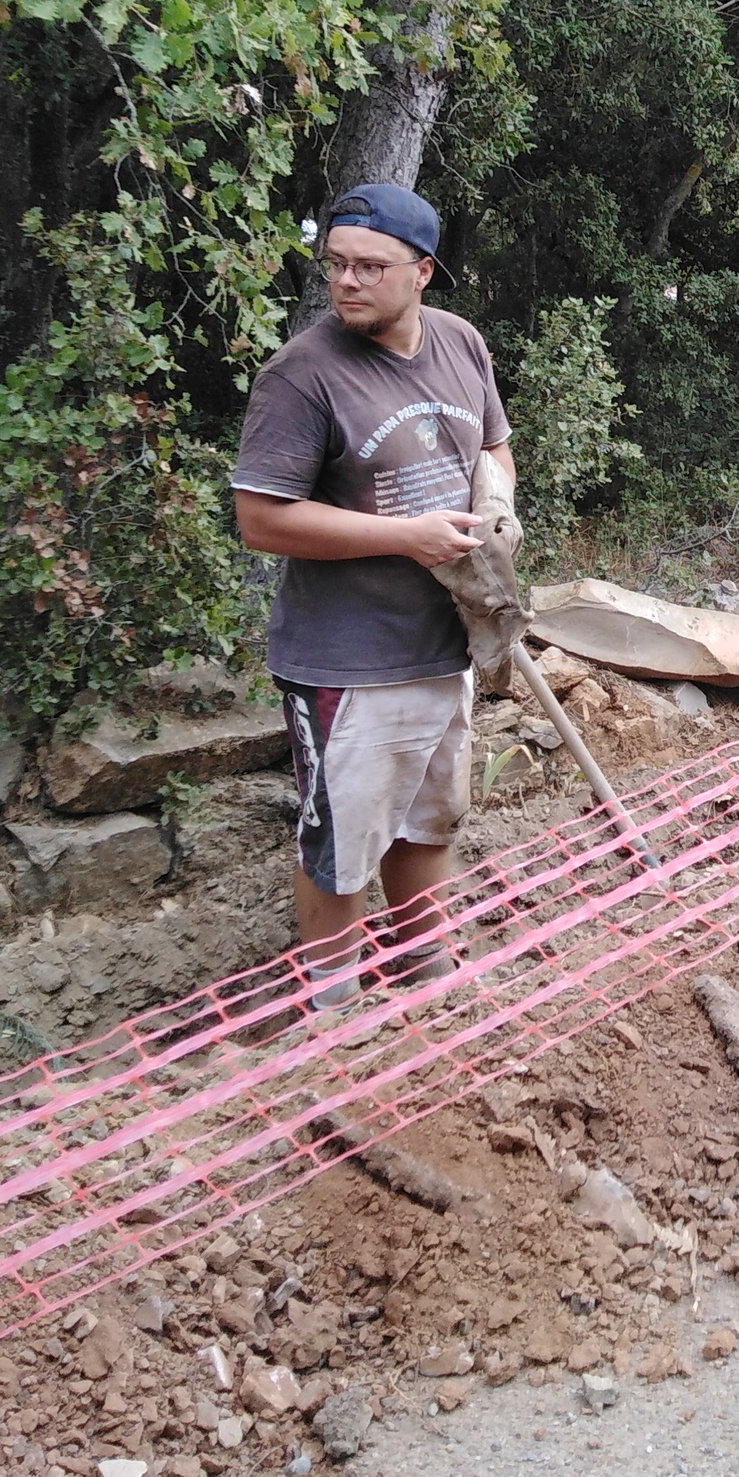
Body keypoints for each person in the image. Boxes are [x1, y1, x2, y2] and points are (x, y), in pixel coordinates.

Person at [231, 183, 515, 1010]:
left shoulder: (461, 344)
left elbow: (495, 451)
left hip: (444, 638)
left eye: (370, 266)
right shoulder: (301, 375)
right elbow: (261, 518)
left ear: (423, 271)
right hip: (348, 660)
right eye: (337, 265)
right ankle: (334, 1005)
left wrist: (499, 520)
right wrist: (406, 536)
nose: (348, 282)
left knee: (431, 819)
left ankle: (425, 975)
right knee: (343, 839)